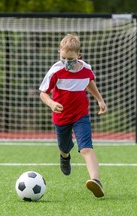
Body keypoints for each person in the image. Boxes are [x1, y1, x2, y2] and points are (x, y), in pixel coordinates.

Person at [39, 34, 107, 198]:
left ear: (78, 56)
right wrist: (51, 104)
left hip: (80, 115)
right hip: (61, 117)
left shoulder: (86, 69)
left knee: (86, 148)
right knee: (64, 147)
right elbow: (43, 93)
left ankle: (96, 181)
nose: (66, 62)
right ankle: (64, 156)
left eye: (70, 59)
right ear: (59, 53)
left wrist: (100, 100)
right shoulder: (56, 70)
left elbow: (89, 82)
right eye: (63, 58)